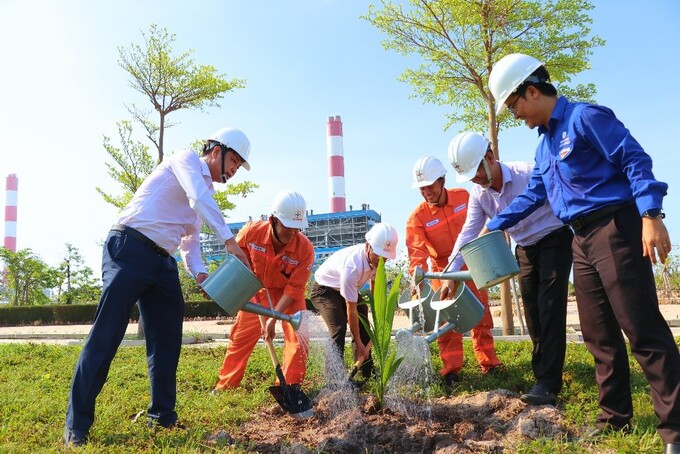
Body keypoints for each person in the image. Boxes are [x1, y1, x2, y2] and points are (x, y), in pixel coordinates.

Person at [485, 53, 680, 451]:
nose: (516, 115)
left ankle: (675, 429)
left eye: (515, 105)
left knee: (641, 328)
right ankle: (614, 418)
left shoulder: (585, 118)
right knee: (598, 334)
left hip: (616, 228)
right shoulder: (543, 147)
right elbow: (535, 194)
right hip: (580, 240)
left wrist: (650, 214)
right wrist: (495, 224)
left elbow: (634, 159)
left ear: (533, 91)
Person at [64, 127, 252, 447]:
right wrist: (230, 241)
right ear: (216, 150)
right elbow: (196, 196)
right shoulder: (186, 160)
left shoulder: (207, 193)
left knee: (167, 341)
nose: (235, 170)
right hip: (129, 247)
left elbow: (190, 241)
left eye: (239, 165)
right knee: (107, 333)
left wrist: (201, 275)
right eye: (234, 160)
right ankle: (77, 426)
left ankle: (162, 417)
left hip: (163, 262)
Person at [444, 131, 573, 405]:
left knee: (550, 307)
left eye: (476, 172)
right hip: (524, 249)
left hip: (555, 239)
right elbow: (468, 233)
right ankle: (543, 374)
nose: (475, 180)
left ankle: (548, 383)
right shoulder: (479, 195)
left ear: (490, 158)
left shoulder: (526, 173)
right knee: (533, 313)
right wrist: (450, 273)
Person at [406, 156, 501, 388]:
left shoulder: (464, 196)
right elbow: (417, 253)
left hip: (472, 264)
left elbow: (484, 220)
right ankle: (451, 370)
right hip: (443, 272)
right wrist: (417, 278)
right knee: (446, 321)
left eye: (430, 186)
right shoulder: (417, 218)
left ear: (442, 180)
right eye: (422, 188)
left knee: (481, 315)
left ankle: (489, 363)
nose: (426, 192)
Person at [214, 190, 314, 391]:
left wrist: (274, 317)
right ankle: (225, 386)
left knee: (299, 339)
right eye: (288, 227)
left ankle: (289, 387)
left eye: (297, 228)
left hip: (288, 297)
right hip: (256, 292)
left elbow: (295, 287)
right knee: (240, 339)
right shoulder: (251, 232)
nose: (293, 233)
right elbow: (236, 258)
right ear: (273, 220)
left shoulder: (305, 249)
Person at [310, 222, 399, 380]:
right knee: (339, 326)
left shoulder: (378, 261)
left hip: (344, 288)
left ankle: (366, 372)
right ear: (368, 246)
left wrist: (376, 307)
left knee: (364, 319)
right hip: (325, 289)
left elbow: (375, 283)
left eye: (385, 258)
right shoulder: (352, 267)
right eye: (378, 256)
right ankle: (334, 379)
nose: (381, 261)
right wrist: (358, 344)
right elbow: (350, 309)